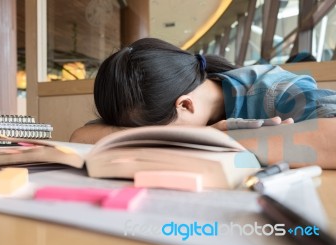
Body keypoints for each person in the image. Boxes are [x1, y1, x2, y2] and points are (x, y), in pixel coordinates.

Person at [70, 38, 336, 168]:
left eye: (165, 131)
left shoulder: (274, 90)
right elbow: (80, 137)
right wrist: (197, 135)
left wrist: (215, 140)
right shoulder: (157, 99)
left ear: (186, 105)